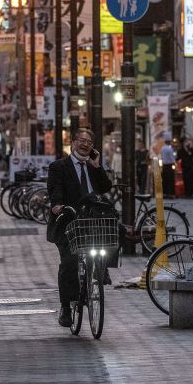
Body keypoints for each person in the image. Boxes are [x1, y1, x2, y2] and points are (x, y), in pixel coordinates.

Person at [46, 127, 112, 328]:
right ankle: (66, 306)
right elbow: (55, 189)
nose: (85, 144)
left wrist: (97, 166)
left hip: (92, 220)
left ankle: (101, 270)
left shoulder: (92, 166)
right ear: (72, 142)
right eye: (81, 140)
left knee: (111, 238)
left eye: (89, 142)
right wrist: (58, 206)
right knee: (69, 261)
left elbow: (106, 187)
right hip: (69, 220)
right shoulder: (59, 166)